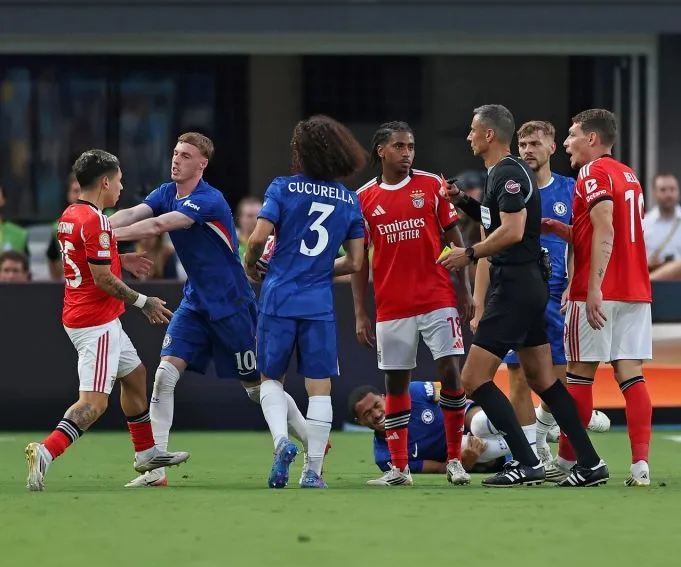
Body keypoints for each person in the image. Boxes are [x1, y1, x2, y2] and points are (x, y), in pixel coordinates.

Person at [110, 132, 311, 488]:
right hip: (195, 302)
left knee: (256, 389)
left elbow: (157, 225)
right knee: (164, 376)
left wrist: (101, 237)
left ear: (202, 164)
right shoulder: (165, 191)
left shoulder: (209, 200)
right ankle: (155, 471)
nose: (176, 160)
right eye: (175, 153)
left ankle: (313, 445)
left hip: (233, 305)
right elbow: (134, 212)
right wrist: (97, 223)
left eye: (186, 155)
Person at [438, 103, 607, 487]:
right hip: (528, 284)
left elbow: (512, 231)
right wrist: (463, 201)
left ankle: (527, 462)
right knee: (542, 379)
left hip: (515, 285)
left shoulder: (509, 172)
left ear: (489, 135)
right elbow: (496, 218)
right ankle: (591, 463)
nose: (467, 137)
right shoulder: (502, 173)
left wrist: (470, 253)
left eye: (472, 130)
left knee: (472, 378)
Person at [25, 149, 188, 492]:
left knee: (135, 375)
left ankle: (146, 456)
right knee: (94, 403)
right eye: (118, 179)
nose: (121, 186)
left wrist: (121, 259)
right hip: (96, 323)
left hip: (88, 315)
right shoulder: (96, 221)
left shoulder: (71, 214)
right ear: (104, 181)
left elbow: (89, 260)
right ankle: (46, 452)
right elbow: (102, 279)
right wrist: (144, 301)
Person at [244, 114, 367, 489]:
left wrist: (253, 267)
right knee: (320, 388)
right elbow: (357, 263)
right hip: (319, 304)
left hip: (278, 296)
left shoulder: (282, 188)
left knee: (270, 379)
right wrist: (316, 269)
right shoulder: (349, 200)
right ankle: (313, 471)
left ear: (302, 152)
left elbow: (255, 240)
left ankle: (282, 440)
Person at [352, 121, 474, 487]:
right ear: (382, 151)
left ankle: (455, 460)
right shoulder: (364, 199)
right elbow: (358, 261)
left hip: (437, 297)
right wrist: (360, 311)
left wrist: (464, 290)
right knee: (395, 382)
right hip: (391, 305)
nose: (407, 153)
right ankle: (400, 468)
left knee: (451, 372)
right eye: (400, 146)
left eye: (411, 146)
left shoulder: (431, 185)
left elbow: (455, 239)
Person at [553, 108, 654, 487]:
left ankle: (568, 462)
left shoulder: (591, 173)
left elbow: (605, 228)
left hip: (599, 289)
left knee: (579, 375)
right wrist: (563, 230)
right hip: (635, 289)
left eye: (572, 134)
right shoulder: (628, 175)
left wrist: (593, 286)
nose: (567, 143)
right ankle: (640, 465)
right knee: (631, 375)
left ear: (592, 139)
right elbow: (601, 230)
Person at [349, 382, 513, 475]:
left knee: (478, 423)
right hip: (462, 450)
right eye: (367, 413)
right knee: (466, 445)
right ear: (360, 422)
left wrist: (494, 405)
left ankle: (529, 421)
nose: (377, 414)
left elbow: (456, 392)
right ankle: (527, 445)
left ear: (385, 398)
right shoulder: (384, 457)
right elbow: (439, 468)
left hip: (466, 418)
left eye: (377, 405)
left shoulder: (413, 391)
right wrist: (465, 464)